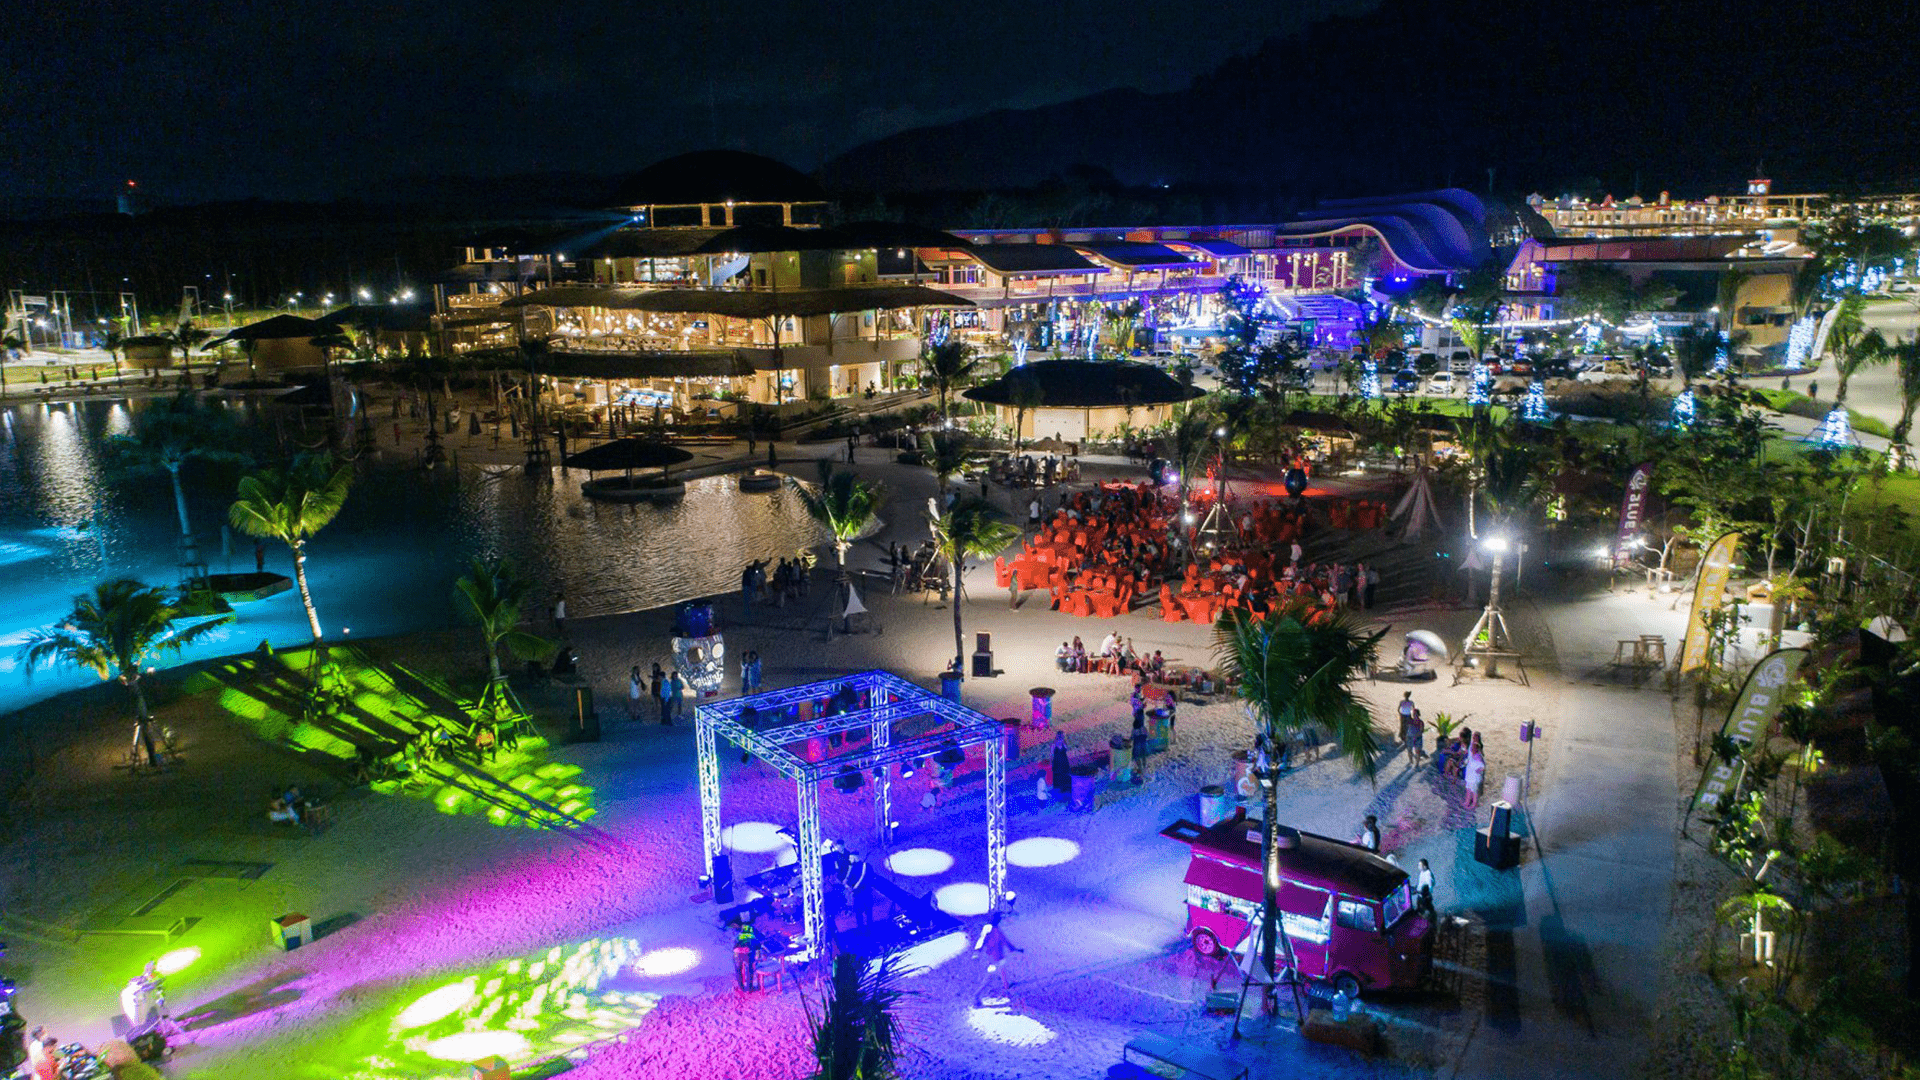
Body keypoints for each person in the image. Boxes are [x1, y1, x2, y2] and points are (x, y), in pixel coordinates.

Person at [971, 913, 1026, 1006]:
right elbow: (982, 940)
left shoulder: (997, 929)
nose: (998, 920)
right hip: (993, 959)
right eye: (997, 919)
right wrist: (977, 951)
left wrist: (1016, 949)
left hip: (999, 957)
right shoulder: (988, 928)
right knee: (989, 979)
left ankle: (1007, 987)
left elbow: (1005, 941)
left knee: (1002, 972)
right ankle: (976, 997)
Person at [732, 916, 760, 992]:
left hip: (737, 953)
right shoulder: (752, 930)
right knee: (750, 969)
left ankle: (741, 987)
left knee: (738, 969)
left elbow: (734, 940)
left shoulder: (738, 930)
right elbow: (757, 942)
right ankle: (749, 989)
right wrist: (757, 953)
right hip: (748, 953)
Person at [1463, 735, 1486, 810]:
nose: (1472, 750)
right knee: (1468, 789)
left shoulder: (1478, 757)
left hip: (1474, 777)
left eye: (1473, 749)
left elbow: (1482, 767)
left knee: (1474, 791)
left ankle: (1474, 804)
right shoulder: (1472, 755)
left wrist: (1478, 771)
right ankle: (1467, 801)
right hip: (1469, 776)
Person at [1051, 730, 1071, 798]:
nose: (1062, 737)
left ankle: (1065, 788)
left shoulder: (1063, 743)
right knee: (1059, 774)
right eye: (1062, 736)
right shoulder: (1054, 744)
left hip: (1063, 761)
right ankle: (1060, 788)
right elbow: (1052, 753)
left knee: (1065, 774)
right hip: (1058, 762)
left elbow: (1067, 749)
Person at [1130, 716, 1149, 786]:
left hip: (1137, 745)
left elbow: (1132, 737)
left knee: (1137, 757)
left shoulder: (1134, 730)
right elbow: (1147, 735)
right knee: (1143, 756)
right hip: (1143, 745)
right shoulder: (1143, 728)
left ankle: (1140, 768)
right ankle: (1144, 767)